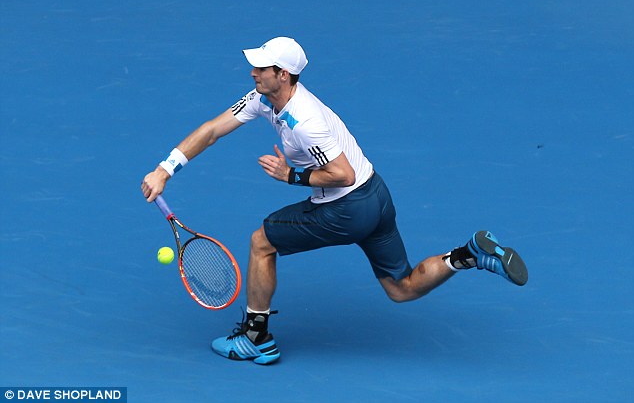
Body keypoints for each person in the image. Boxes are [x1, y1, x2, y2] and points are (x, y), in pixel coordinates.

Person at [141, 36, 528, 365]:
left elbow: (340, 173)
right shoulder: (264, 99)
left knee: (262, 242)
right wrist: (165, 169)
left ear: (284, 74)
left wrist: (289, 175)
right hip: (376, 195)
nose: (253, 72)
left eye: (263, 67)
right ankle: (469, 254)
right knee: (401, 288)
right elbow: (211, 129)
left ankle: (256, 338)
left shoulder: (304, 122)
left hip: (345, 207)